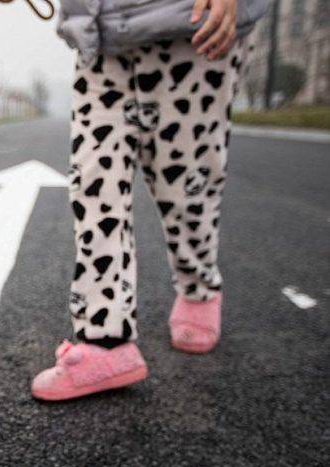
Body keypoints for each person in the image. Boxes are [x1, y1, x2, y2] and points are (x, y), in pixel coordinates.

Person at [31, 0, 268, 401]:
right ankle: (105, 340)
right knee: (93, 186)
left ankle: (198, 287)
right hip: (101, 38)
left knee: (187, 188)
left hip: (191, 31)